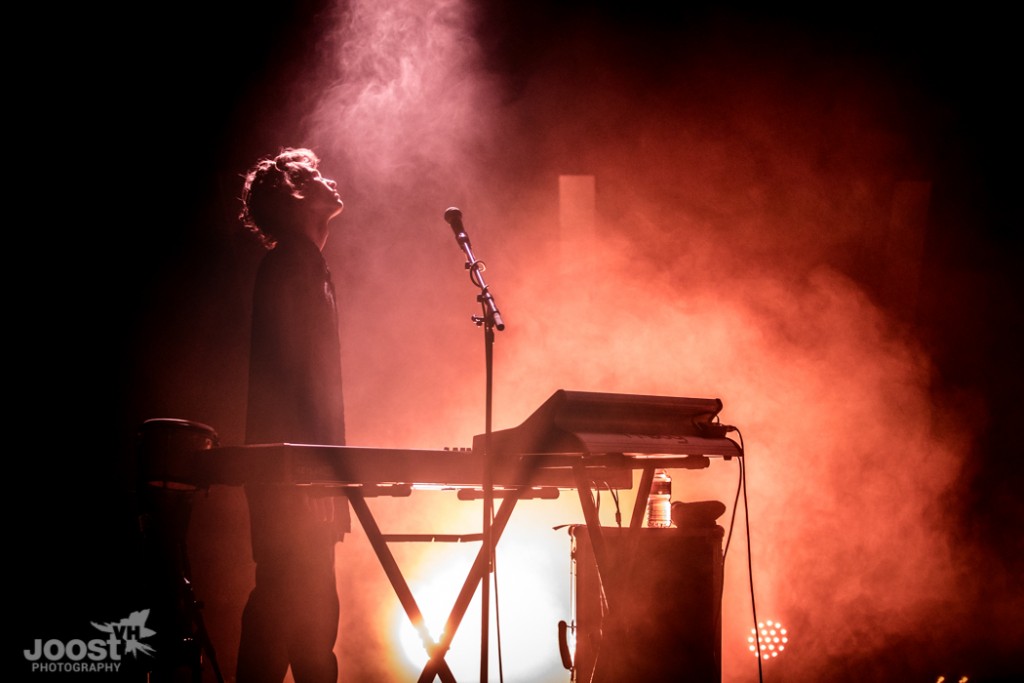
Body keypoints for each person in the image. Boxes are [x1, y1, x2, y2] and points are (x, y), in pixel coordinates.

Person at [236, 147, 348, 683]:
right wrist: (314, 474)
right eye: (318, 176)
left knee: (306, 616)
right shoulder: (290, 266)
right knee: (292, 607)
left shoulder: (306, 264)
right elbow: (291, 376)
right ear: (299, 195)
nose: (332, 180)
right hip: (295, 475)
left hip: (304, 471)